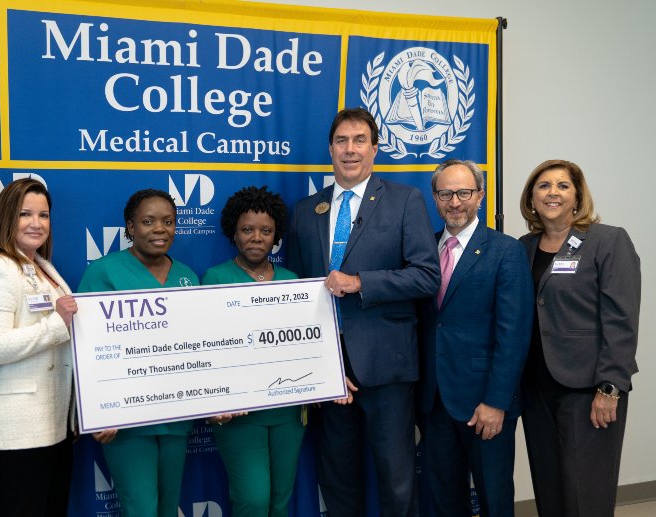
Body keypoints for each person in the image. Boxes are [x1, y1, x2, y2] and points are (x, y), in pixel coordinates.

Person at [286, 107, 439, 516]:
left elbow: (426, 277)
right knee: (337, 481)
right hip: (328, 370)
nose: (349, 150)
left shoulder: (405, 201)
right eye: (341, 141)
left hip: (387, 366)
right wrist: (317, 363)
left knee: (397, 479)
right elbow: (298, 291)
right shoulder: (305, 211)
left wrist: (362, 282)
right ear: (330, 149)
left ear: (375, 148)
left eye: (359, 141)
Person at [518, 159, 640, 516]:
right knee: (549, 491)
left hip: (588, 390)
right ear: (532, 197)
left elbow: (621, 319)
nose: (552, 193)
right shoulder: (524, 246)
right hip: (535, 389)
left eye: (562, 185)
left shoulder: (607, 240)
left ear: (577, 195)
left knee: (585, 494)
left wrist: (610, 387)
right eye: (543, 186)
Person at [416, 159, 533, 517]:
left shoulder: (505, 250)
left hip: (485, 402)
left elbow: (513, 333)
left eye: (463, 192)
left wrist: (497, 402)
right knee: (443, 501)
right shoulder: (423, 250)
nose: (455, 202)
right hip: (434, 402)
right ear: (435, 198)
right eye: (445, 193)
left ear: (479, 195)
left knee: (494, 499)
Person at [77, 188, 199, 517]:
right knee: (141, 509)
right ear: (130, 227)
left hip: (176, 415)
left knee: (166, 506)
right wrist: (100, 410)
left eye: (168, 221)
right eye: (148, 221)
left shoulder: (188, 276)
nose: (160, 229)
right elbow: (87, 347)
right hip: (125, 420)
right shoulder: (103, 272)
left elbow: (201, 345)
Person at [0, 178, 77, 516]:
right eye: (25, 214)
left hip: (54, 423)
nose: (37, 223)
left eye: (44, 215)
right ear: (6, 218)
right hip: (17, 431)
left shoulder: (44, 267)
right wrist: (56, 326)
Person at [202, 186, 305, 517]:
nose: (256, 237)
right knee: (253, 499)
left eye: (266, 231)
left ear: (276, 236)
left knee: (279, 500)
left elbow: (308, 345)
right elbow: (206, 348)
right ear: (234, 231)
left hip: (288, 413)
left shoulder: (293, 281)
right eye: (247, 229)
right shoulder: (215, 279)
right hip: (239, 415)